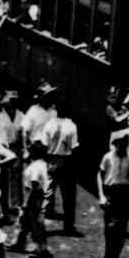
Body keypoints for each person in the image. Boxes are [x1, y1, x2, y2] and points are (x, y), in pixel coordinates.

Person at [41, 101, 83, 236]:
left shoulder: (49, 124)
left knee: (46, 195)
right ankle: (68, 227)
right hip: (66, 161)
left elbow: (43, 145)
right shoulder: (71, 125)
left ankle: (38, 225)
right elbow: (75, 147)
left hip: (51, 160)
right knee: (68, 197)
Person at [13, 141, 53, 258]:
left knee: (35, 225)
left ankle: (42, 249)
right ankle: (19, 244)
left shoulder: (36, 166)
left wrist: (27, 202)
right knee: (23, 222)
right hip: (34, 196)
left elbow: (34, 185)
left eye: (31, 151)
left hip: (34, 198)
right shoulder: (41, 163)